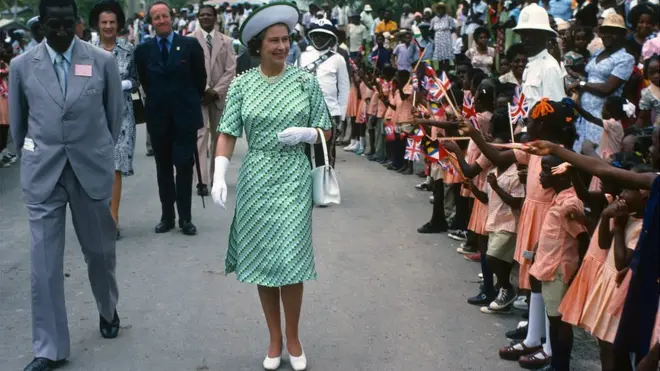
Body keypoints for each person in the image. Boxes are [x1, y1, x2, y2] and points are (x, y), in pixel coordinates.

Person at [210, 3, 332, 370]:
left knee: (291, 258)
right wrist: (218, 172)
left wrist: (309, 133)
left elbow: (327, 129)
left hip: (294, 176)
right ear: (258, 46)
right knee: (264, 260)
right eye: (273, 41)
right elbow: (227, 132)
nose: (281, 46)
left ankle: (293, 338)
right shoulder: (243, 85)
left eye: (285, 39)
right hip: (257, 176)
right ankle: (274, 338)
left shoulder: (305, 82)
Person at [8, 0, 124, 368]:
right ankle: (49, 348)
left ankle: (108, 309)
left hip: (90, 169)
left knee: (100, 253)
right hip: (44, 173)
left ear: (76, 23)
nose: (59, 31)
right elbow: (18, 125)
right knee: (43, 264)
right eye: (51, 24)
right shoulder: (21, 66)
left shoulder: (101, 62)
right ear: (40, 25)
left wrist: (96, 151)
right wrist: (38, 153)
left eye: (66, 23)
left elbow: (114, 115)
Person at [134, 1, 206, 236]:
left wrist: (185, 102)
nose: (162, 21)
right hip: (159, 120)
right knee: (163, 169)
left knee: (184, 167)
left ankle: (186, 218)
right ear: (151, 22)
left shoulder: (190, 45)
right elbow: (145, 81)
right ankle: (167, 217)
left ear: (171, 18)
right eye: (157, 18)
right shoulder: (143, 51)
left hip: (184, 118)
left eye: (165, 16)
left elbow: (199, 80)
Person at [90, 0, 138, 240]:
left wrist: (121, 85)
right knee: (97, 166)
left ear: (118, 24)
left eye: (112, 22)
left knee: (115, 167)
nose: (108, 26)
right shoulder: (86, 49)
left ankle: (113, 218)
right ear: (97, 25)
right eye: (104, 22)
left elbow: (136, 81)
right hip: (91, 116)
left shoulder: (128, 50)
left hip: (123, 115)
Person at [568, 13, 634, 152]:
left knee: (597, 156)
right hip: (584, 113)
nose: (607, 35)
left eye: (613, 32)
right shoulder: (598, 53)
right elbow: (589, 76)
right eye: (605, 31)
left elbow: (607, 88)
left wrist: (581, 85)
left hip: (602, 116)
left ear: (622, 34)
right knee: (578, 155)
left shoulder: (625, 58)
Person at [191, 4, 236, 197]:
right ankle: (201, 180)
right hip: (199, 96)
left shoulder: (226, 41)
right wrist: (202, 89)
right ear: (198, 18)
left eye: (209, 15)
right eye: (202, 15)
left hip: (218, 97)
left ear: (215, 17)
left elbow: (231, 69)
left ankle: (216, 177)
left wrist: (216, 90)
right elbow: (188, 69)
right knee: (200, 137)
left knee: (219, 138)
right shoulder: (190, 40)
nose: (205, 18)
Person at [300, 18, 350, 168]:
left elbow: (344, 89)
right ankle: (306, 188)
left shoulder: (338, 59)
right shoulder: (303, 57)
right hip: (304, 111)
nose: (319, 39)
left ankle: (325, 188)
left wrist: (342, 116)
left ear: (331, 38)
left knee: (326, 155)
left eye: (323, 35)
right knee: (304, 154)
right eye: (316, 35)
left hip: (329, 112)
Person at [512, 3, 565, 109]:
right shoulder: (530, 64)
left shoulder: (549, 67)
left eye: (530, 34)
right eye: (523, 34)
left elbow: (555, 110)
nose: (525, 39)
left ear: (544, 35)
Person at [430, 2, 456, 70]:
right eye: (439, 9)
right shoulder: (433, 19)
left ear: (444, 10)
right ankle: (440, 70)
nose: (440, 10)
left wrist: (447, 33)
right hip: (438, 38)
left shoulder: (449, 18)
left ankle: (447, 69)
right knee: (439, 55)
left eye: (442, 9)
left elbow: (453, 28)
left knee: (447, 55)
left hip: (446, 37)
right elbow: (431, 30)